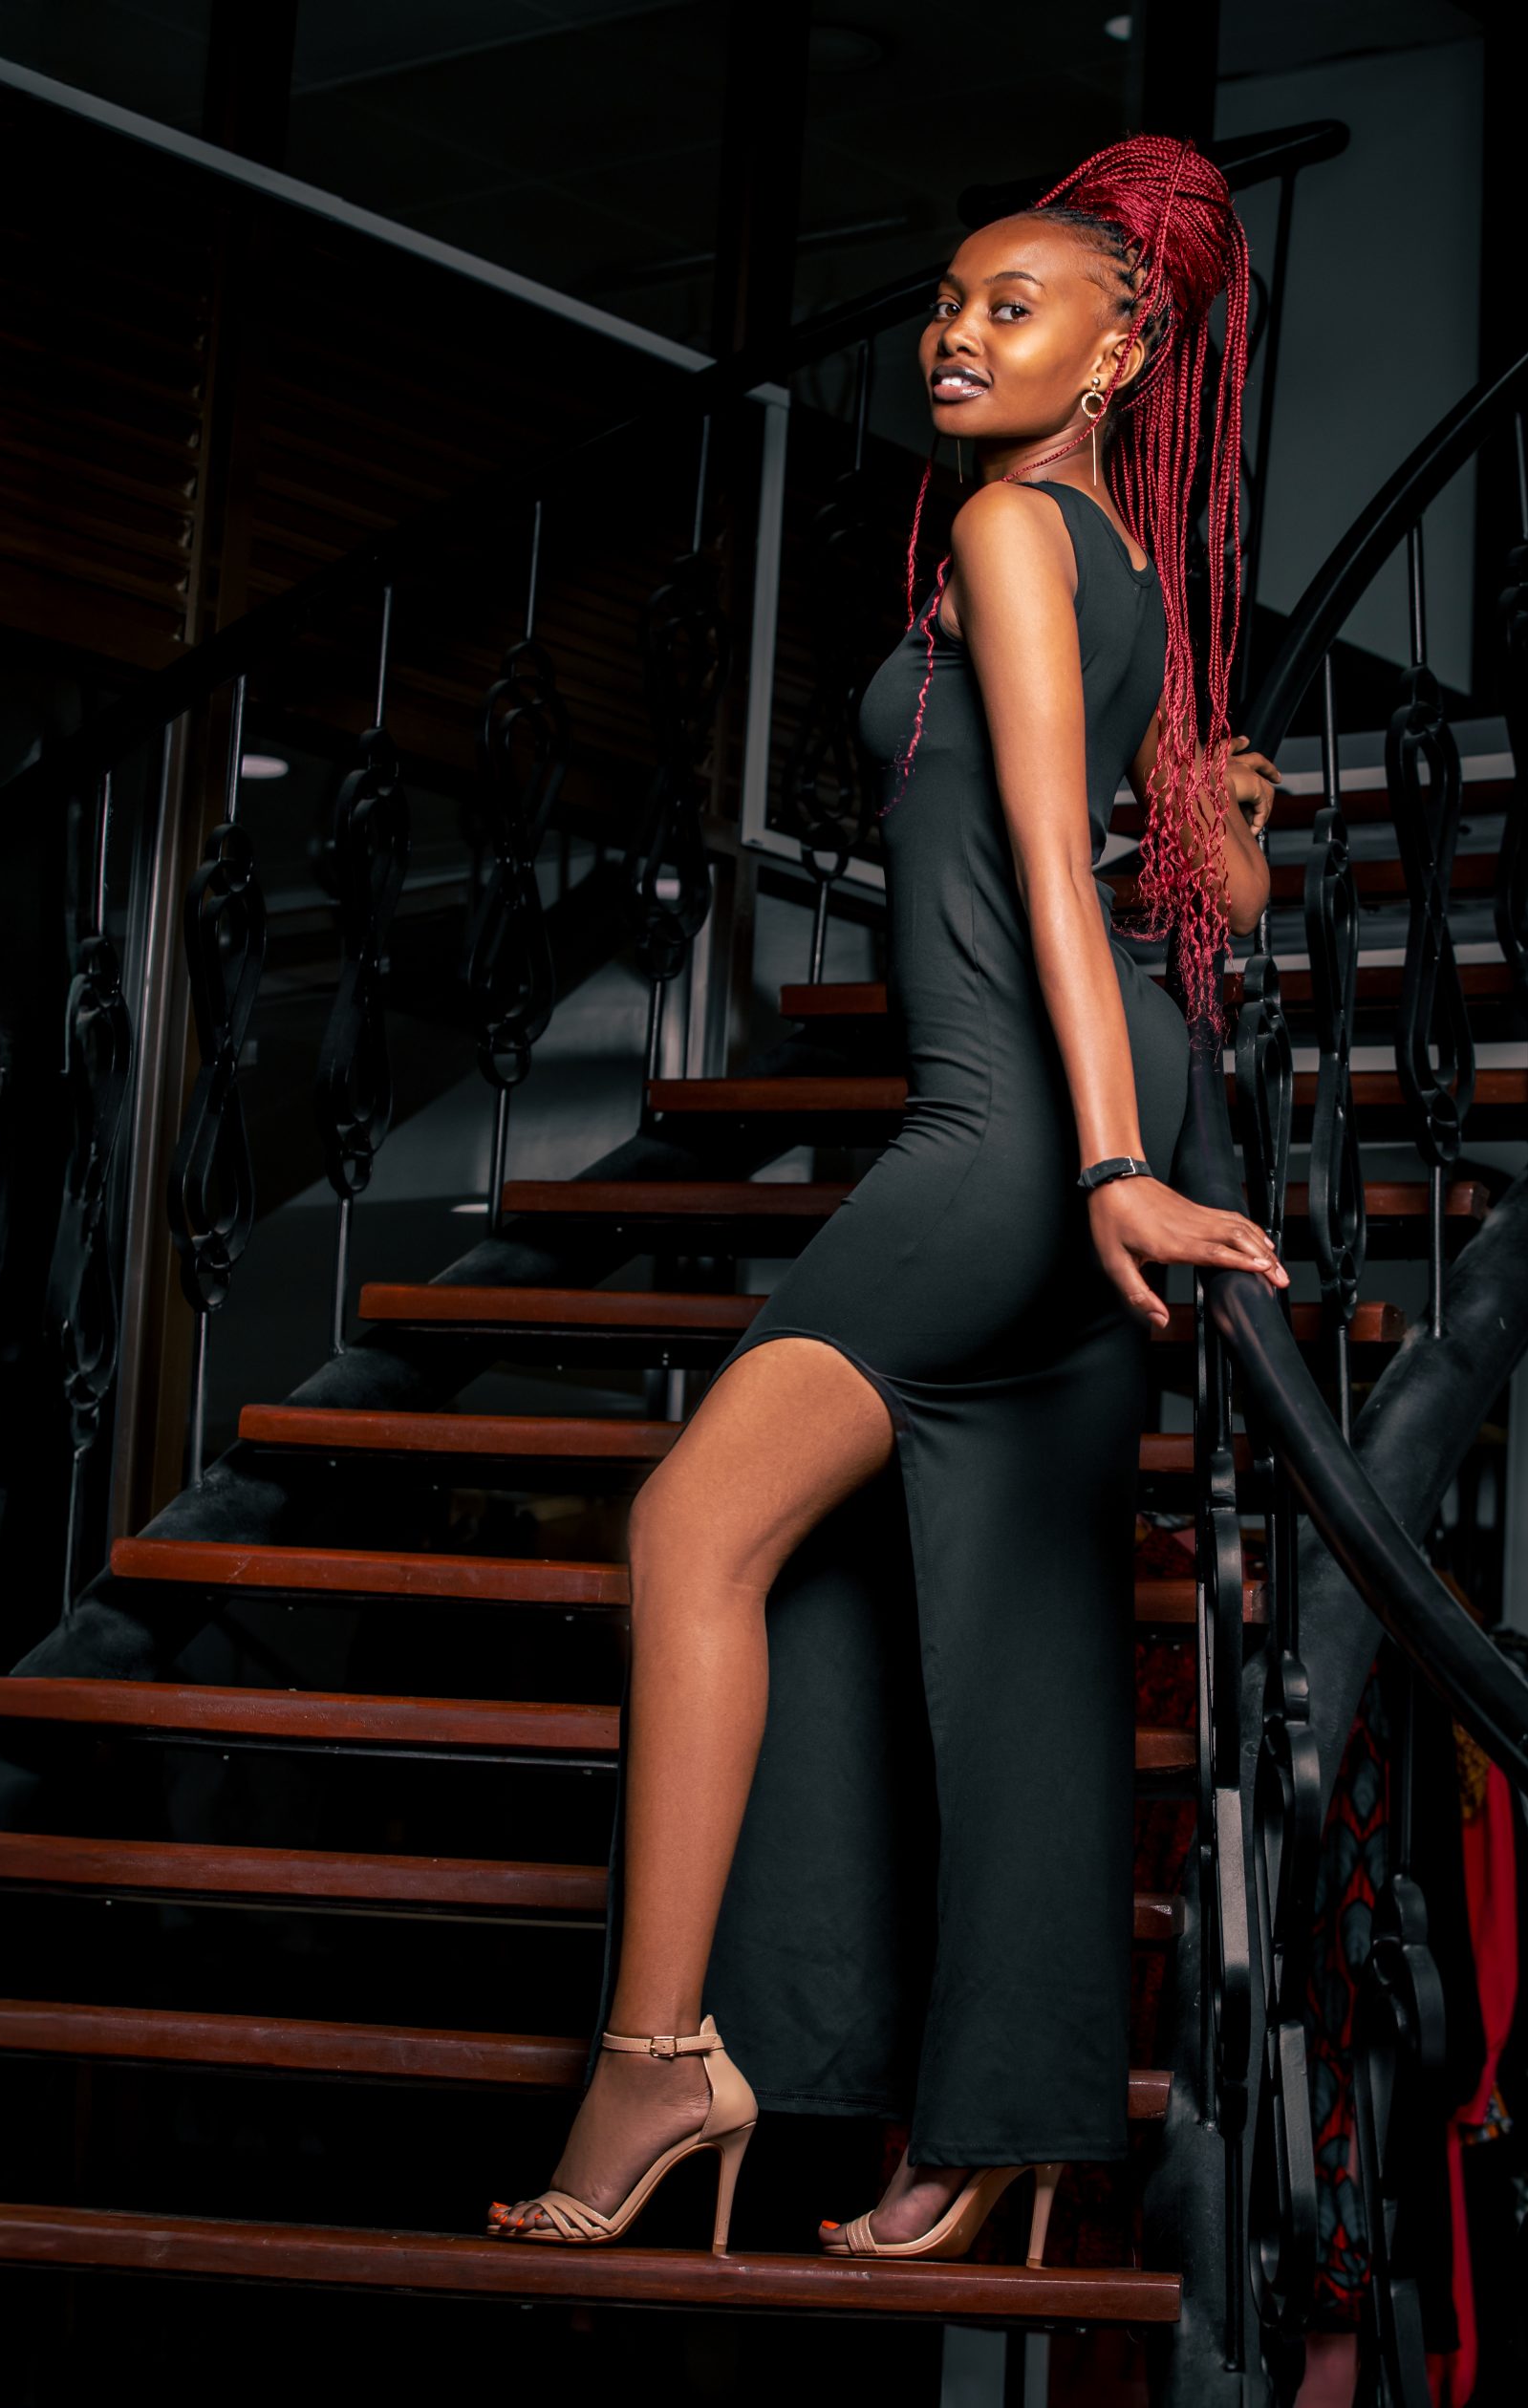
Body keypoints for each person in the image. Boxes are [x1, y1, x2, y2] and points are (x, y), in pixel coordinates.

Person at [487, 134, 1286, 2260]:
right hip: (1077, 1105)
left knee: (690, 1524)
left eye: (1008, 307)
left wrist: (1110, 1163)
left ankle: (663, 2047)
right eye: (943, 303)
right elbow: (1196, 878)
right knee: (988, 1620)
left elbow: (1043, 859)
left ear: (1118, 351)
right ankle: (993, 2111)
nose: (953, 335)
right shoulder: (1117, 551)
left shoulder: (1015, 522)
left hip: (1016, 1133)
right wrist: (1218, 859)